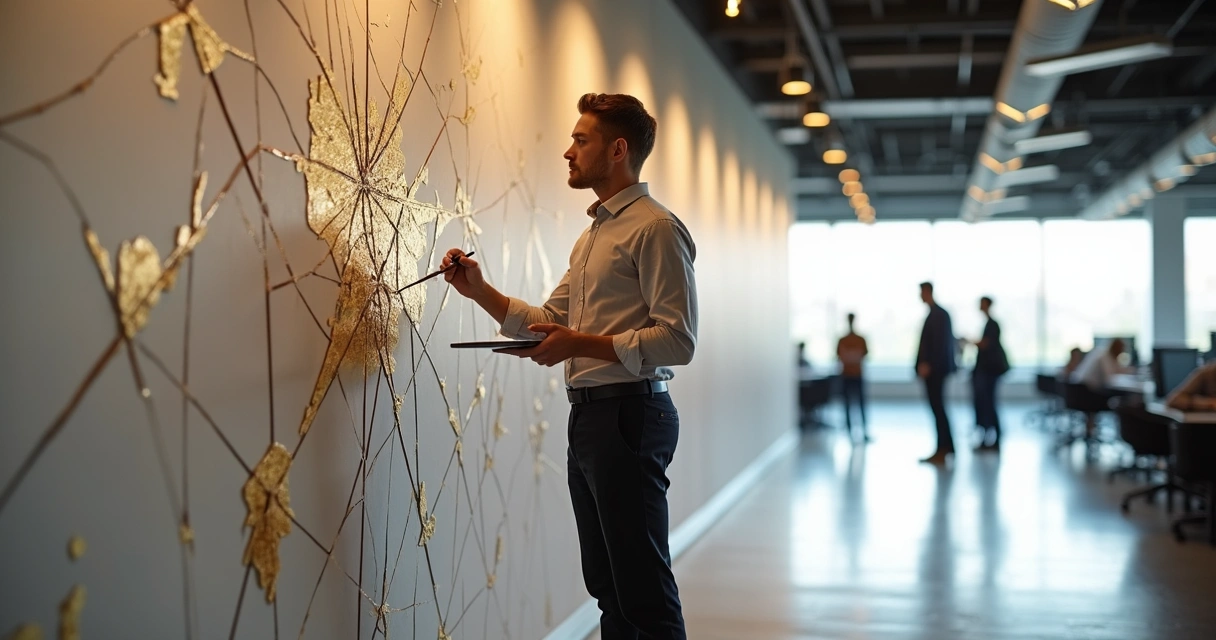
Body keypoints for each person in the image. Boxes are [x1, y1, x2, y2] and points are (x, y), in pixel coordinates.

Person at [441, 93, 695, 639]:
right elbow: (548, 319)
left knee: (643, 592)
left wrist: (580, 342)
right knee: (608, 587)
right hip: (592, 419)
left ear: (618, 149)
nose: (568, 151)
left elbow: (677, 341)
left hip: (632, 416)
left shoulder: (655, 228)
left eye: (581, 140)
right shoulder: (592, 237)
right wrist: (478, 290)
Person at [916, 282, 957, 464]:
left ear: (927, 292)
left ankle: (944, 448)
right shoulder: (936, 314)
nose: (919, 296)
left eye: (921, 292)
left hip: (936, 372)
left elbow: (939, 346)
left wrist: (929, 365)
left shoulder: (938, 315)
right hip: (935, 370)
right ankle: (945, 447)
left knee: (939, 409)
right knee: (938, 409)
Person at [969, 296, 1009, 452]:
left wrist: (972, 342)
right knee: (985, 404)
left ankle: (994, 438)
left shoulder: (993, 324)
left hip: (990, 372)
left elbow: (986, 344)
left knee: (989, 404)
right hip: (986, 371)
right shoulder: (988, 324)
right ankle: (987, 437)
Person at [836, 313, 870, 442]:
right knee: (847, 404)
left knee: (861, 403)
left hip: (857, 375)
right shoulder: (842, 340)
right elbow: (839, 356)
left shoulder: (860, 339)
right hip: (846, 375)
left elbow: (865, 355)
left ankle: (864, 431)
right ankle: (849, 431)